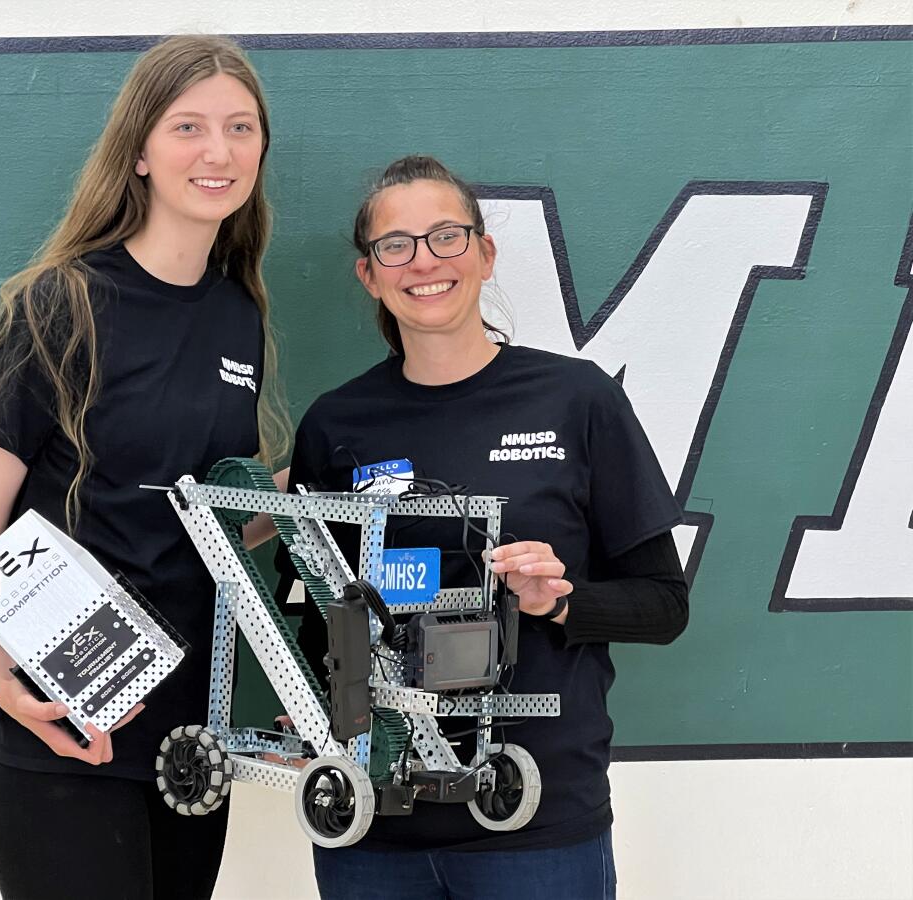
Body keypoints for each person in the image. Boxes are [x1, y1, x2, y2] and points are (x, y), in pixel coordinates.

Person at [0, 35, 287, 900]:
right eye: (188, 127)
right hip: (61, 739)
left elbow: (200, 516)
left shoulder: (237, 312)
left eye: (241, 128)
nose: (218, 151)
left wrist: (313, 503)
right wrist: (6, 679)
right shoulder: (64, 302)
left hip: (185, 745)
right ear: (139, 151)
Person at [281, 156, 689, 900]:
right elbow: (313, 613)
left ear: (484, 251)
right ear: (369, 275)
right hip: (373, 828)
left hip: (531, 822)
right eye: (395, 246)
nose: (424, 262)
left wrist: (558, 602)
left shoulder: (577, 400)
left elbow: (665, 605)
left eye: (445, 236)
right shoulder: (337, 425)